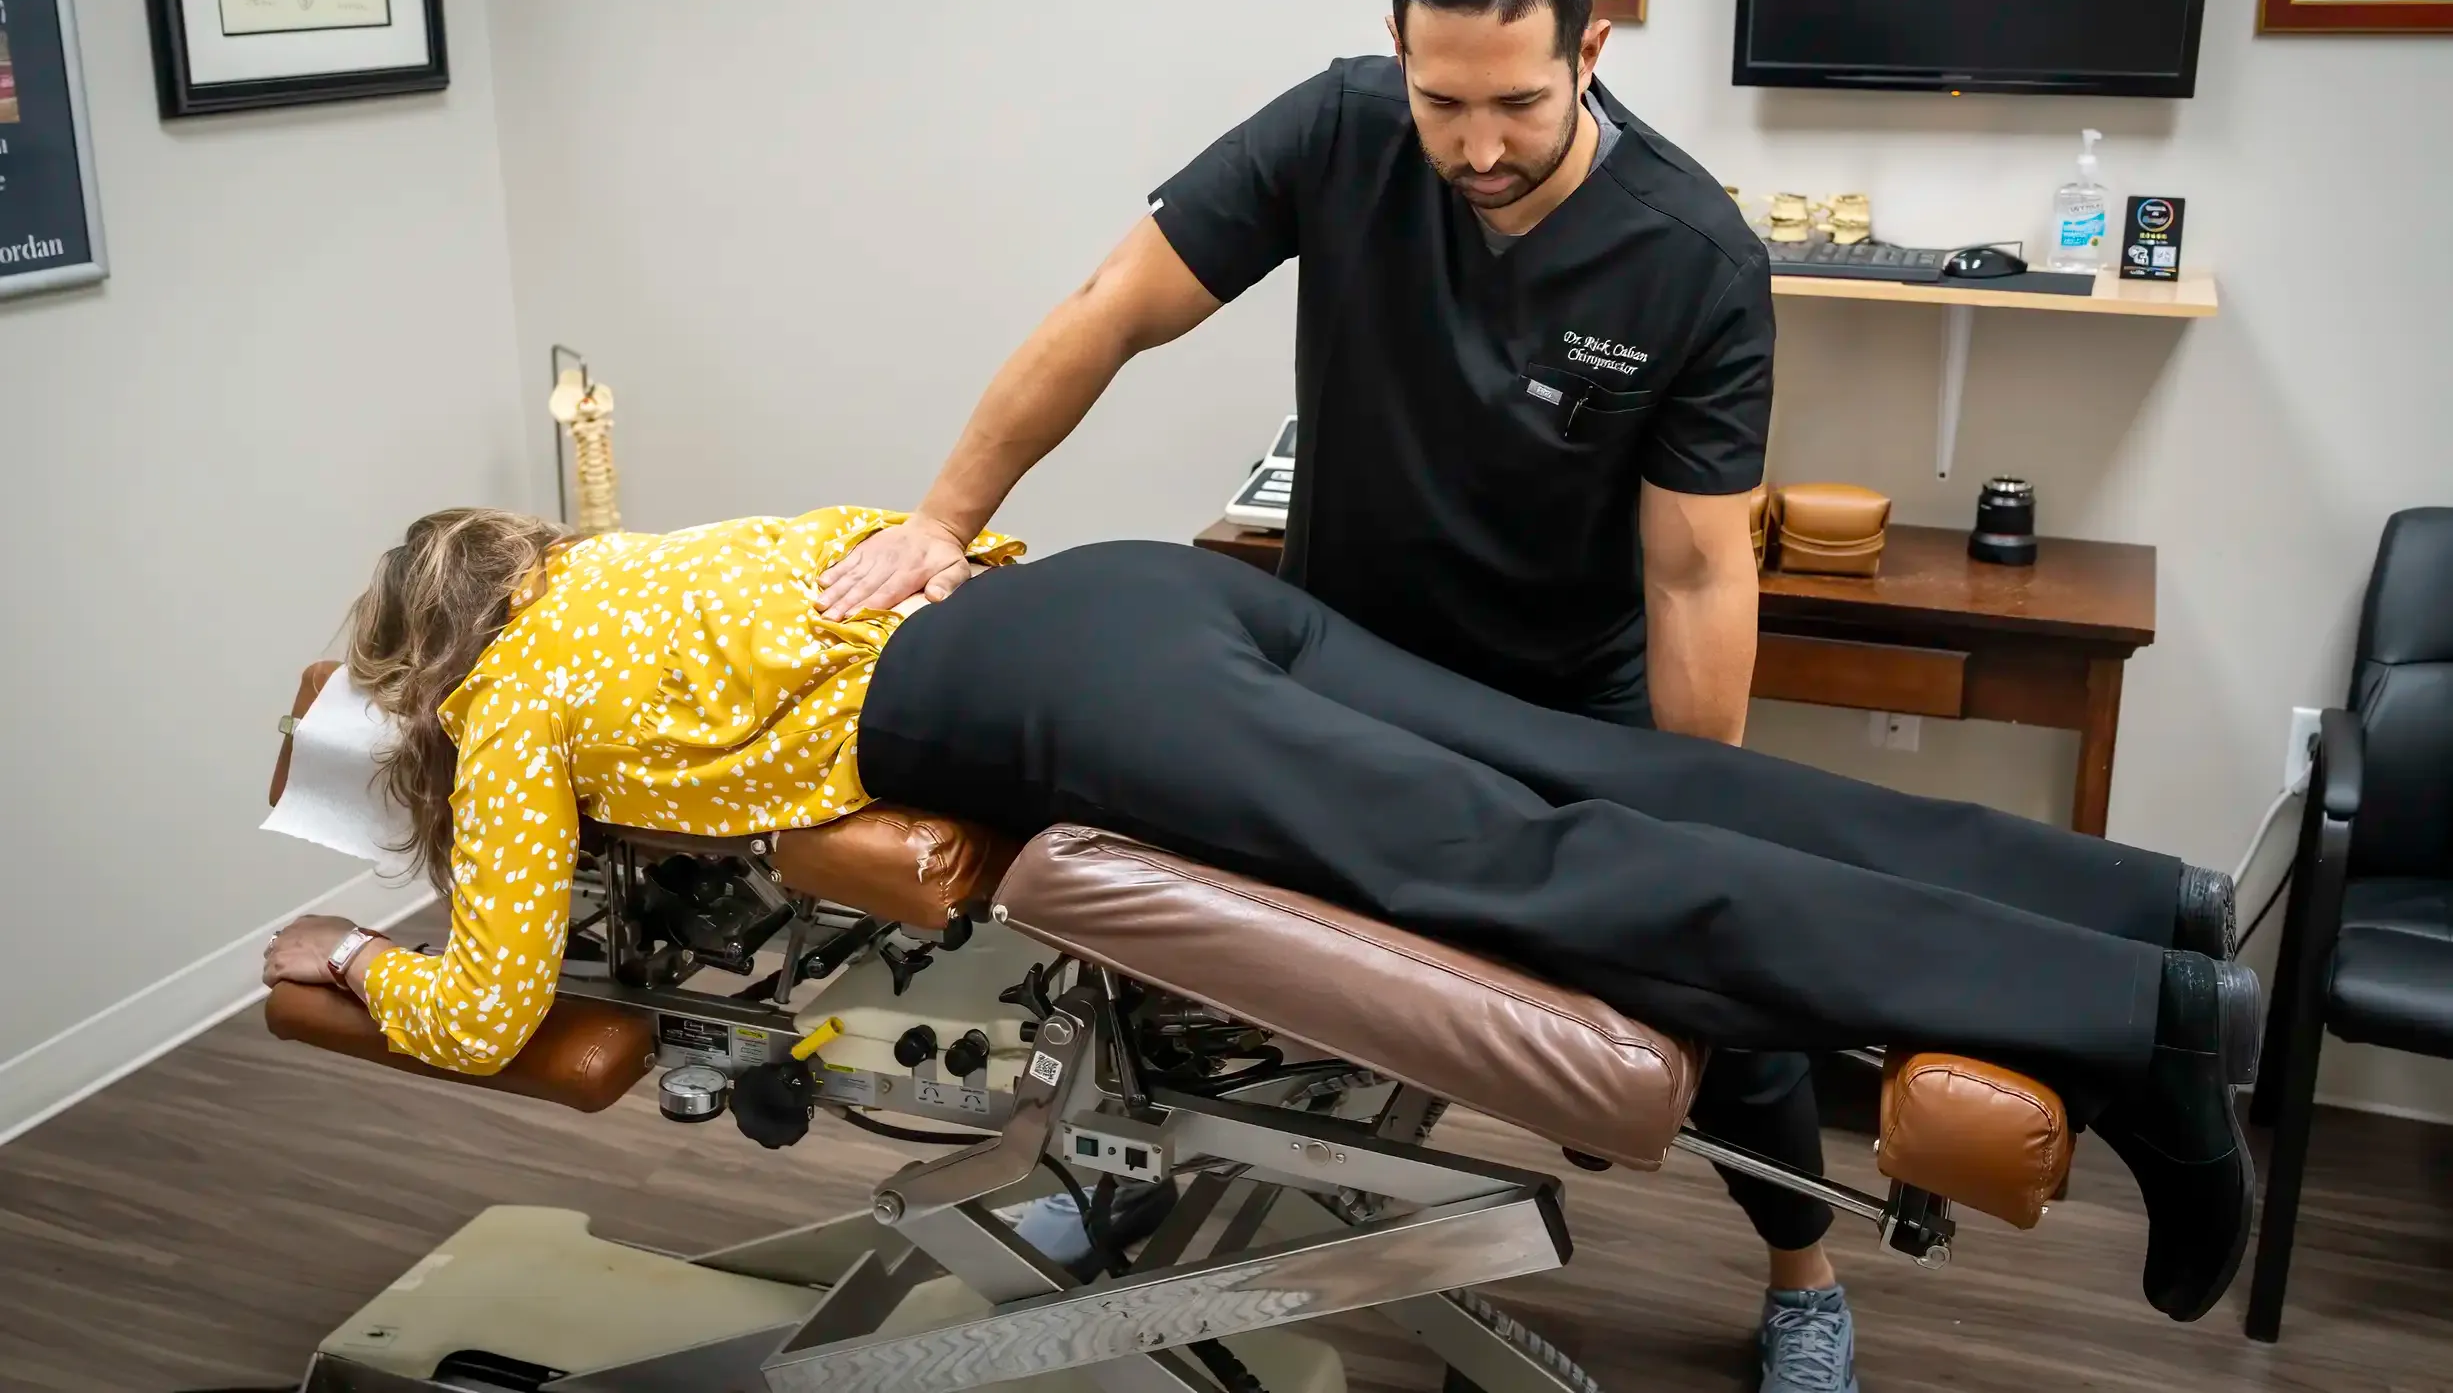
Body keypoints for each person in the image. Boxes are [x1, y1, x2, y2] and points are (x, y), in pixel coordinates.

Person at [269, 506, 2258, 1343]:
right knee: (1627, 782)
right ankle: (2134, 911)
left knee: (1542, 870)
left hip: (1082, 700)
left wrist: (368, 956)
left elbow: (491, 995)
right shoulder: (631, 562)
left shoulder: (508, 698)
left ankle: (2136, 1027)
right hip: (1145, 590)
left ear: (421, 656)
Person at [813, 0, 1850, 1385]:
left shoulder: (1689, 256)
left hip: (1563, 693)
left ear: (1592, 47)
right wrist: (941, 521)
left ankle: (1805, 1274)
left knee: (1721, 973)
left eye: (1519, 103)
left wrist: (1696, 807)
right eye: (1445, 101)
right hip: (1334, 657)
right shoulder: (1339, 130)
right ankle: (1118, 1176)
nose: (1479, 148)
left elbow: (1697, 574)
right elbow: (1113, 306)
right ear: (1395, 49)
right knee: (1168, 923)